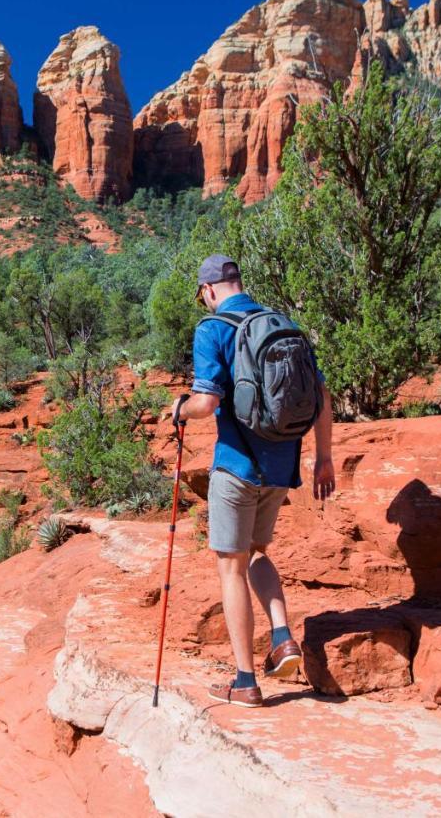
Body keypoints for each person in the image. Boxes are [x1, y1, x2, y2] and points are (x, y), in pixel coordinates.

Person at [171, 254, 335, 708]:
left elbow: (205, 405)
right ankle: (282, 636)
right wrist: (324, 459)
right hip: (281, 468)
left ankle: (245, 681)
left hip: (237, 467)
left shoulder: (213, 328)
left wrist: (178, 409)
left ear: (207, 291)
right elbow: (321, 395)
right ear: (239, 282)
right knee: (259, 552)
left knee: (232, 567)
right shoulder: (280, 322)